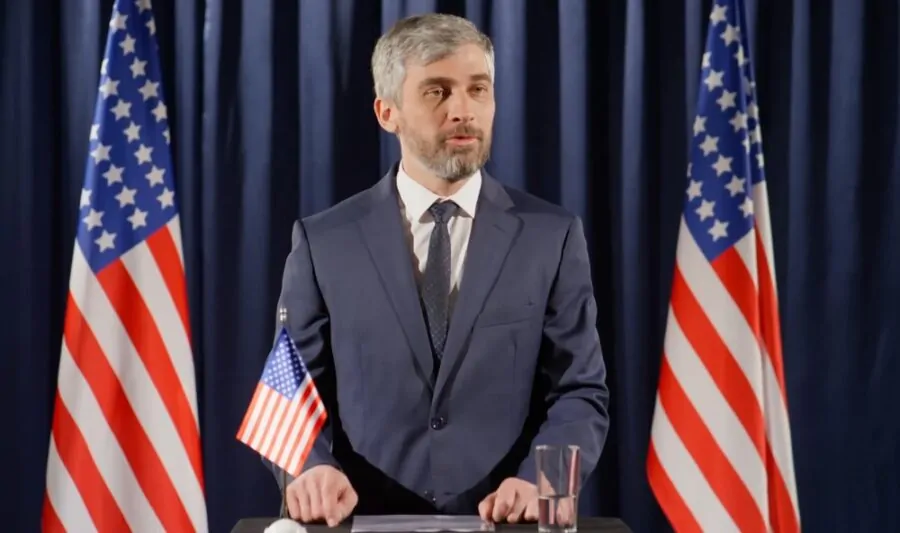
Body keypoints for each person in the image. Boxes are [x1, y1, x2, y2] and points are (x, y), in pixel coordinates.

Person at [264, 12, 610, 527]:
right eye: (437, 92)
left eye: (478, 90)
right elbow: (288, 389)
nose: (463, 111)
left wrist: (544, 482)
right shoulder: (323, 241)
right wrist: (310, 469)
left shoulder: (551, 236)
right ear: (388, 113)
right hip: (364, 521)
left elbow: (580, 390)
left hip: (503, 523)